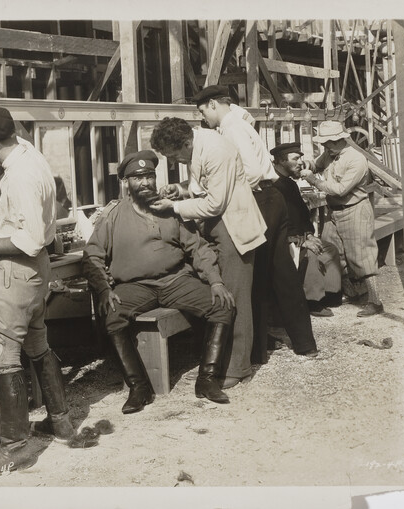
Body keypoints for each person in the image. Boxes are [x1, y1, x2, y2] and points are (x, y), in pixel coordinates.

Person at [0, 107, 97, 479]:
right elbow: (6, 133)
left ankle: (15, 448)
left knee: (6, 358)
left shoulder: (19, 179)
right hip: (37, 272)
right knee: (37, 345)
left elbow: (27, 241)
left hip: (15, 271)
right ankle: (60, 423)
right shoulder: (30, 153)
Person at [82, 150, 236, 413]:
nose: (144, 182)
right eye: (137, 177)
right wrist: (105, 289)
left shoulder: (170, 210)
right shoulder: (113, 216)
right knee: (113, 315)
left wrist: (215, 281)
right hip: (135, 286)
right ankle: (139, 388)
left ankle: (207, 380)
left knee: (222, 305)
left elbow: (197, 248)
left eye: (149, 176)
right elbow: (92, 256)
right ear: (126, 183)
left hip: (176, 280)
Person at [189, 86, 319, 365]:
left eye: (202, 111)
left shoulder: (231, 128)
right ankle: (304, 343)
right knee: (282, 272)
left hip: (259, 199)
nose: (203, 118)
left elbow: (253, 171)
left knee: (255, 275)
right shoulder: (239, 122)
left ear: (213, 104)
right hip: (273, 198)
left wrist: (223, 192)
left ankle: (255, 351)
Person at [149, 117, 266, 389]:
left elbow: (214, 204)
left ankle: (238, 368)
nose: (176, 161)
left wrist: (173, 207)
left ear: (186, 142)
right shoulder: (199, 145)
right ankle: (219, 361)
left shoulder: (216, 149)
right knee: (219, 297)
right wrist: (180, 190)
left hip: (232, 229)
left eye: (175, 156)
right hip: (216, 227)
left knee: (234, 298)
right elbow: (204, 187)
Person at [300, 121, 383, 317]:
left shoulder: (356, 159)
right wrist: (307, 164)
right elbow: (317, 165)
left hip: (355, 209)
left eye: (327, 142)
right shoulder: (330, 153)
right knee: (331, 250)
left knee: (362, 256)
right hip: (335, 210)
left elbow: (340, 189)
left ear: (338, 140)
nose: (324, 146)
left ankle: (375, 301)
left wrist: (312, 179)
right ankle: (351, 291)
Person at [270, 142, 342, 317]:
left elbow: (302, 214)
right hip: (283, 239)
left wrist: (309, 233)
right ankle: (312, 301)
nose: (300, 163)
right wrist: (299, 239)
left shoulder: (291, 184)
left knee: (330, 249)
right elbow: (277, 221)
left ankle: (331, 294)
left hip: (300, 235)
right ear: (280, 161)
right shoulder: (273, 186)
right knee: (310, 254)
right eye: (295, 159)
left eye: (300, 158)